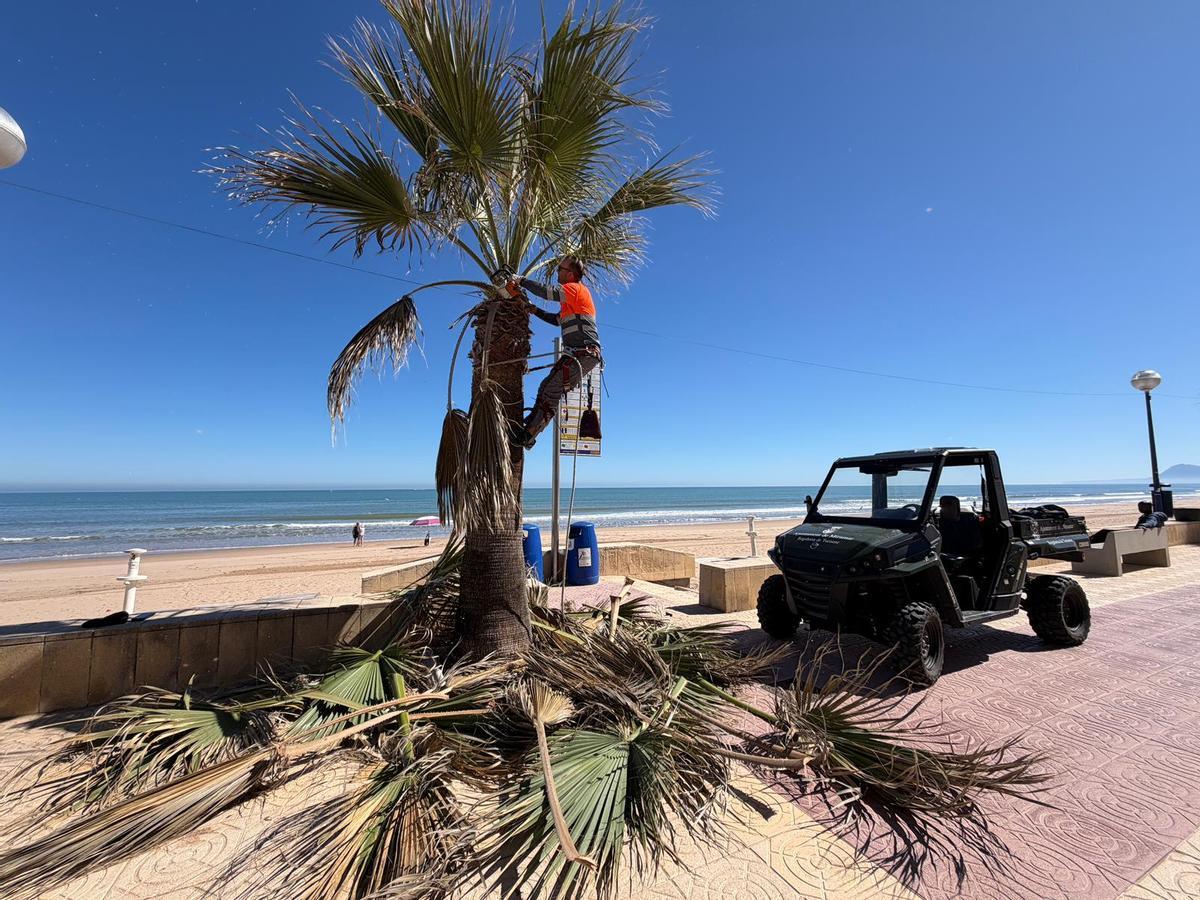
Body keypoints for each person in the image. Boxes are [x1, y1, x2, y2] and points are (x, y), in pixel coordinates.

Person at [506, 255, 601, 449]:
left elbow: (547, 292)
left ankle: (528, 435)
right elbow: (556, 320)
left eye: (560, 269)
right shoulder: (571, 301)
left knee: (551, 390)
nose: (557, 271)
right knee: (546, 387)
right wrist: (533, 310)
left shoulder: (575, 289)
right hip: (578, 354)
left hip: (583, 353)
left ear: (570, 274)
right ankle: (528, 429)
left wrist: (521, 280)